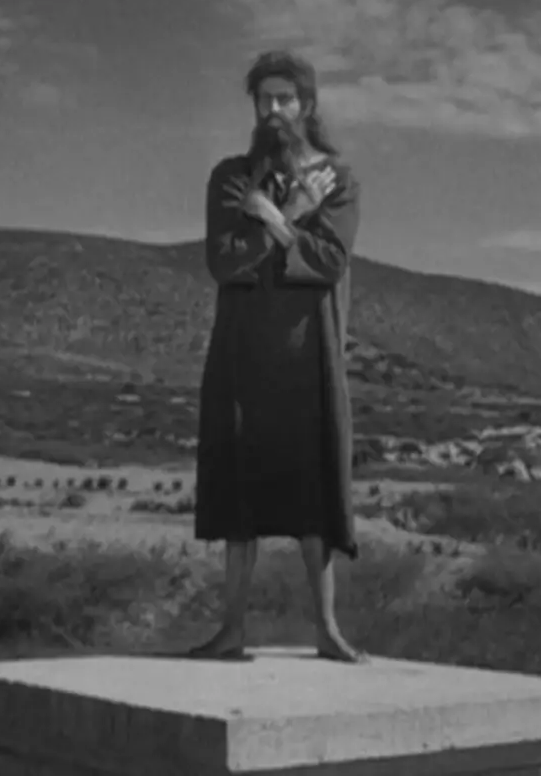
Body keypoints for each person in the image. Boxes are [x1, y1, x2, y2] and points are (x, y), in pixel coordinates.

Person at [190, 49, 365, 664]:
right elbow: (224, 261)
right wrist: (291, 216)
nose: (273, 110)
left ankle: (327, 629)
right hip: (241, 356)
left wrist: (272, 220)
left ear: (306, 105)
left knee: (314, 496)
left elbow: (328, 261)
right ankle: (231, 629)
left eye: (284, 98)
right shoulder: (231, 178)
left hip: (310, 356)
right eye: (263, 99)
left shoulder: (338, 180)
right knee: (239, 497)